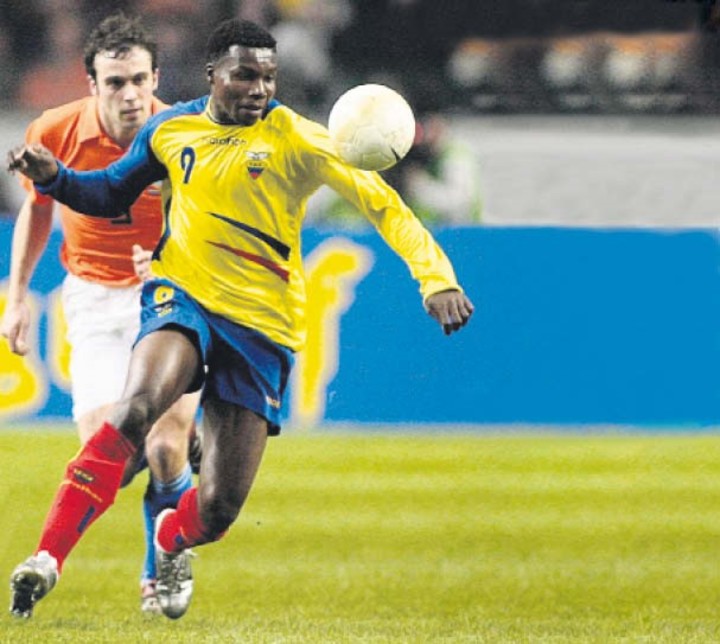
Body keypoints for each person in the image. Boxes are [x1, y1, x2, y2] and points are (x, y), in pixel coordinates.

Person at [6, 17, 474, 621]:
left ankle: (171, 538)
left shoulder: (299, 139)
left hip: (260, 327)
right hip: (182, 296)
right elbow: (109, 193)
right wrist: (57, 179)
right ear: (212, 75)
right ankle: (46, 558)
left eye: (268, 78)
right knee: (137, 409)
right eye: (245, 76)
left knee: (220, 507)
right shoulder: (172, 130)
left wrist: (436, 277)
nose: (259, 89)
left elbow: (384, 206)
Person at [0, 12, 200, 616]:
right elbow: (38, 209)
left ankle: (160, 568)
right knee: (106, 450)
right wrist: (17, 297)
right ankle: (174, 485)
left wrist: (167, 258)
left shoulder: (182, 135)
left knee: (165, 444)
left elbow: (210, 223)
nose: (130, 94)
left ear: (155, 78)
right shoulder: (56, 131)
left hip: (168, 296)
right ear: (92, 84)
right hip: (91, 298)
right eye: (115, 82)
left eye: (139, 79)